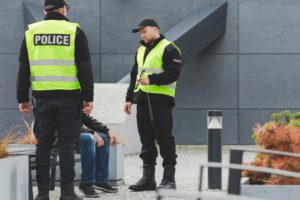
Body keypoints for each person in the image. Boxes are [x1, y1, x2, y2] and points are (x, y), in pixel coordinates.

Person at [16, 0, 94, 199]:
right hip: (69, 98)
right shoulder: (74, 31)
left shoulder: (31, 32)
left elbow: (23, 68)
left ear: (44, 10)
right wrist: (88, 97)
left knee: (43, 144)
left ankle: (42, 194)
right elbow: (84, 66)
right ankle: (67, 192)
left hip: (42, 98)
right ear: (63, 9)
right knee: (67, 145)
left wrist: (22, 97)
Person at [124, 19, 181, 191]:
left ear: (155, 29)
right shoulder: (141, 50)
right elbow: (134, 75)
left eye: (144, 31)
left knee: (164, 139)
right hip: (142, 100)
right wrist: (129, 98)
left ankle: (169, 180)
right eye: (140, 32)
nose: (142, 35)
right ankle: (148, 179)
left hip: (161, 101)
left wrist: (152, 80)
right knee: (146, 141)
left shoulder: (170, 48)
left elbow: (173, 73)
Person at [78, 113, 120, 198]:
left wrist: (107, 130)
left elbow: (86, 119)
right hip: (60, 135)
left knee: (104, 137)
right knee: (89, 138)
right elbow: (68, 124)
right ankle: (86, 183)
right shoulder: (64, 101)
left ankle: (100, 180)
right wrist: (92, 133)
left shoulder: (75, 101)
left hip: (75, 132)